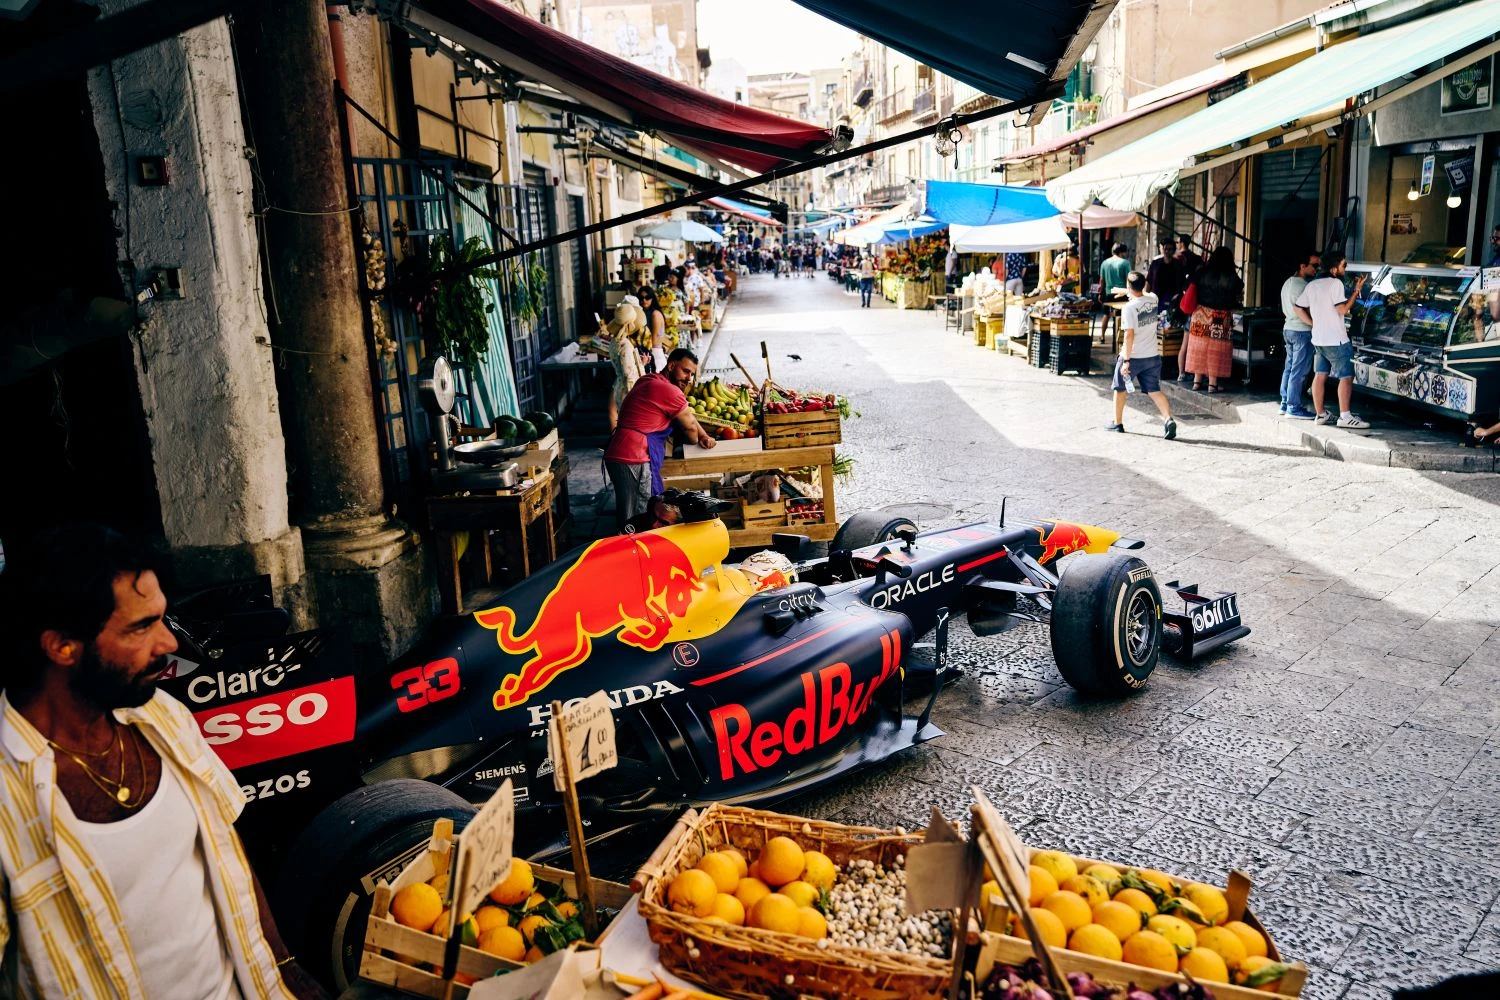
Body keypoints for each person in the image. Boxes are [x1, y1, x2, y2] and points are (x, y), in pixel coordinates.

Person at [0, 524, 326, 999]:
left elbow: (224, 847)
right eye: (141, 627)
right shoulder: (8, 796)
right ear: (62, 646)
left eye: (161, 619)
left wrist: (285, 966)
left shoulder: (164, 716)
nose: (169, 643)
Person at [604, 348, 715, 528]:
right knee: (639, 519)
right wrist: (698, 436)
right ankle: (632, 546)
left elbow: (689, 418)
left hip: (619, 452)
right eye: (685, 371)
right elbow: (691, 430)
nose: (689, 378)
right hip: (633, 457)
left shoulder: (649, 380)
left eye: (692, 374)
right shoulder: (668, 390)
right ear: (671, 366)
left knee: (630, 513)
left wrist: (703, 434)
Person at [1293, 251, 1368, 428]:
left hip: (1319, 339)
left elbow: (1298, 307)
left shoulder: (1312, 285)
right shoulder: (1335, 284)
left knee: (1320, 375)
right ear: (1334, 269)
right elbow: (1342, 310)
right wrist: (1356, 291)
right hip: (1336, 339)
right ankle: (1345, 416)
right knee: (1346, 377)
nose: (1345, 268)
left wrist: (1313, 323)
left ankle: (1320, 414)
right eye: (1343, 265)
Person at [1107, 271, 1177, 440]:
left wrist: (1126, 361)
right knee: (1154, 390)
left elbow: (1129, 335)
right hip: (1152, 355)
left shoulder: (1129, 308)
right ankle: (1168, 419)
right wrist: (1128, 290)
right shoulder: (1153, 299)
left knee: (1120, 388)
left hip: (1133, 356)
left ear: (1129, 286)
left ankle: (1118, 423)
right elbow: (1143, 293)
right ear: (1144, 284)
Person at [1182, 247, 1243, 393]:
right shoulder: (1230, 276)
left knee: (1199, 348)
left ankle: (1197, 382)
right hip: (1220, 316)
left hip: (1201, 315)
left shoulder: (1202, 272)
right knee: (1216, 349)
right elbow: (1239, 286)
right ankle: (1212, 384)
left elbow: (1188, 284)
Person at [1278, 253, 1321, 419]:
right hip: (1302, 331)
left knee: (1289, 368)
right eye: (1314, 265)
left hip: (1288, 328)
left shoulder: (1287, 283)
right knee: (1299, 371)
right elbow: (1301, 309)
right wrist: (1313, 323)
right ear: (1303, 266)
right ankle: (1293, 407)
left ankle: (1285, 402)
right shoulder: (1304, 286)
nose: (1317, 269)